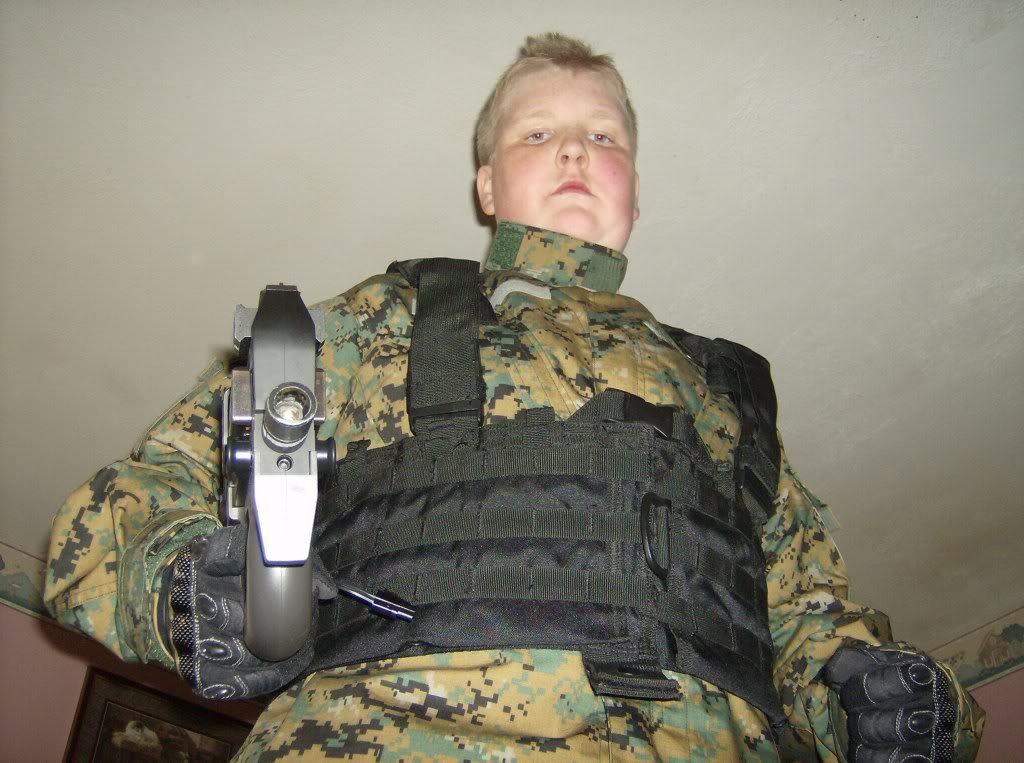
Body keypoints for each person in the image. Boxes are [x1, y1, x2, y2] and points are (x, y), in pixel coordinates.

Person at [46, 33, 984, 761]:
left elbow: (810, 619)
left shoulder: (728, 394)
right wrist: (182, 589)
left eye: (604, 136)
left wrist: (890, 703)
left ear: (636, 190)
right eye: (537, 132)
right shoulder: (385, 317)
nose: (574, 146)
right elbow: (134, 504)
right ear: (487, 185)